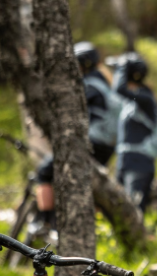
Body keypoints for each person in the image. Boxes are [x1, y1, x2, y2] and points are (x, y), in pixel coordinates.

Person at [33, 41, 119, 227]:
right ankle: (93, 226)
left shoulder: (87, 86)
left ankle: (44, 221)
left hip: (89, 143)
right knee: (89, 186)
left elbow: (71, 116)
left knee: (45, 172)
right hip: (107, 147)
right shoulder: (105, 85)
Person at [114, 53, 157, 214]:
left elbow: (119, 89)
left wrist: (122, 67)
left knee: (133, 213)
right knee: (118, 212)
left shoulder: (146, 98)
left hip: (139, 166)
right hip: (124, 164)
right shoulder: (132, 102)